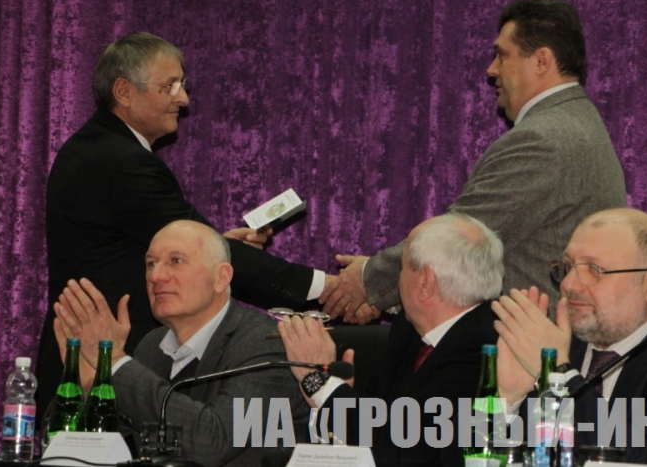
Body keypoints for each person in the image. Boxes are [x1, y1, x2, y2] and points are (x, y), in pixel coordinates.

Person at [38, 32, 328, 414]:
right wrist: (323, 289)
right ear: (124, 91)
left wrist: (216, 246)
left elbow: (141, 241)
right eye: (170, 86)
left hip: (92, 364)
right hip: (105, 369)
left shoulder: (99, 149)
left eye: (182, 85)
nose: (184, 99)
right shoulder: (124, 162)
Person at [325, 0, 627, 321]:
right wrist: (394, 291)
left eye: (502, 55)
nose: (491, 70)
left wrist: (367, 281)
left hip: (531, 343)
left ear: (541, 61)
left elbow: (456, 243)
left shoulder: (542, 140)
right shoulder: (578, 122)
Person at [492, 208, 647, 467]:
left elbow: (640, 461)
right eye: (567, 267)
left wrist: (558, 374)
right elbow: (476, 454)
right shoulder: (563, 350)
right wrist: (507, 398)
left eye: (594, 269)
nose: (568, 284)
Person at [53, 220, 309, 467]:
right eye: (151, 263)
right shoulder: (152, 346)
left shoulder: (265, 345)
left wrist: (116, 364)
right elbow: (87, 447)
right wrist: (87, 387)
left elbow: (211, 444)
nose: (156, 276)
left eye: (176, 261)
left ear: (221, 277)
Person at [278, 213, 504, 466]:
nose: (397, 278)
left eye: (402, 267)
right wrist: (341, 395)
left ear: (425, 282)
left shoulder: (485, 349)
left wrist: (318, 383)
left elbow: (407, 448)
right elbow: (380, 416)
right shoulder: (409, 331)